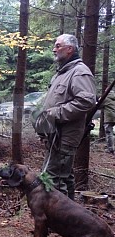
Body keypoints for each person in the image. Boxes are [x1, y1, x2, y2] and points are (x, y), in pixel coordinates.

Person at [38, 34, 96, 199]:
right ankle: (72, 217)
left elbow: (86, 101)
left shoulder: (79, 72)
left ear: (70, 49)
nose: (54, 49)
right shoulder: (62, 73)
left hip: (65, 137)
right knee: (64, 176)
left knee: (54, 179)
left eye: (58, 46)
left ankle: (58, 221)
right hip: (55, 135)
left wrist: (56, 113)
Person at [103, 90, 115, 154]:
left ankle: (110, 149)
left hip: (109, 117)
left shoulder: (106, 98)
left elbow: (99, 105)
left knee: (109, 133)